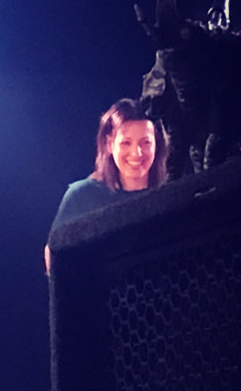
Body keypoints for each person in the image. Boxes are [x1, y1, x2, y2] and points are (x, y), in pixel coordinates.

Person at [45, 98, 167, 273]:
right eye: (126, 143)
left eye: (146, 142)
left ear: (157, 143)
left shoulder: (172, 193)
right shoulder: (82, 196)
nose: (137, 152)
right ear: (110, 144)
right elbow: (54, 253)